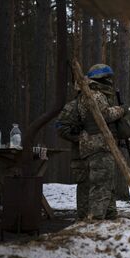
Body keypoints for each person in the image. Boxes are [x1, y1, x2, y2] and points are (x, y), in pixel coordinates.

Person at [77, 63, 127, 220]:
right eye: (108, 79)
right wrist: (122, 110)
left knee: (102, 183)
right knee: (101, 186)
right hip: (99, 145)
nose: (110, 82)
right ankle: (96, 220)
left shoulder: (86, 94)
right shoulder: (96, 95)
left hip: (92, 145)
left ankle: (107, 216)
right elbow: (104, 115)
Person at [55, 89, 89, 220]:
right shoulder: (73, 106)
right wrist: (80, 137)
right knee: (84, 188)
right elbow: (61, 128)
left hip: (99, 155)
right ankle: (84, 220)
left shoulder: (99, 105)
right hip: (80, 155)